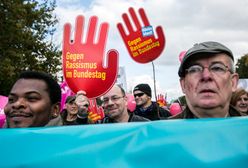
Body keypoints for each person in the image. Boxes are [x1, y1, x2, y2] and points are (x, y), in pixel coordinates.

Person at [170, 41, 241, 119]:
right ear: (183, 85)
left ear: (233, 82)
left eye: (217, 68)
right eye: (194, 69)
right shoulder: (161, 130)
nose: (206, 76)